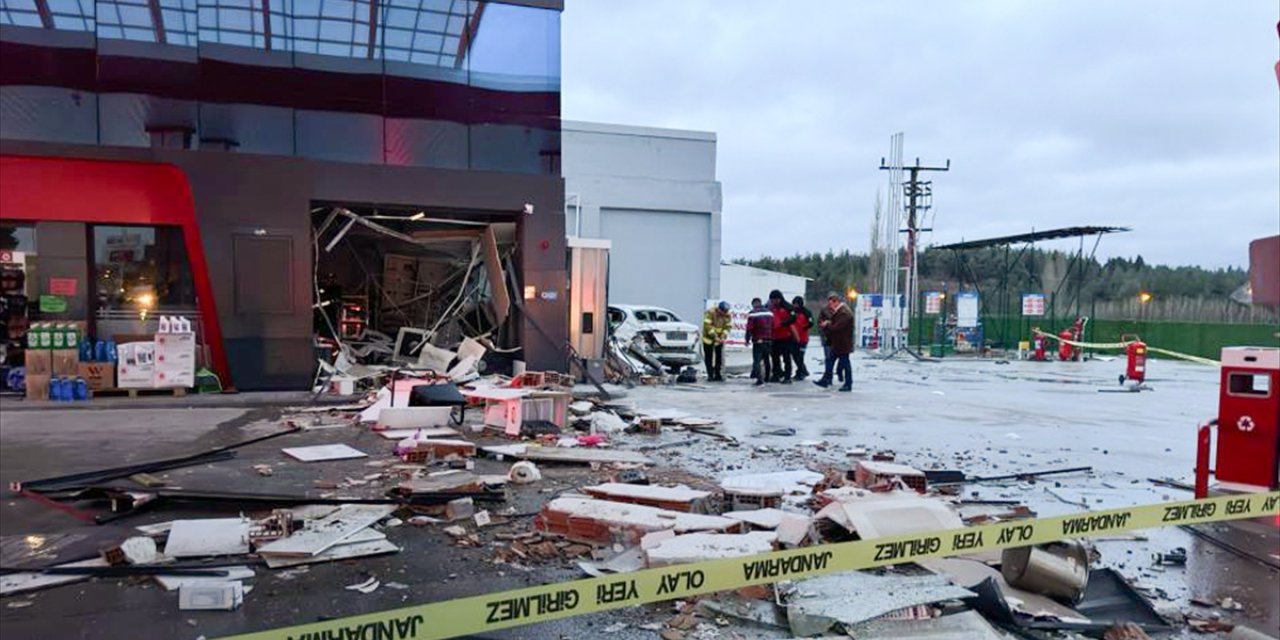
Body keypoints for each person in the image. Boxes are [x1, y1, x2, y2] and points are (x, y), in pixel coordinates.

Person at [815, 291, 854, 392]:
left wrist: (827, 324)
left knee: (845, 363)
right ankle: (826, 379)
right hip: (838, 343)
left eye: (831, 303)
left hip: (842, 343)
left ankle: (848, 383)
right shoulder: (840, 311)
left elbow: (837, 327)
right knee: (830, 360)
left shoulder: (844, 313)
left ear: (836, 302)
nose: (830, 306)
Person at [745, 297, 774, 386]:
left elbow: (749, 328)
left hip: (758, 340)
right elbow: (773, 326)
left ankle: (759, 379)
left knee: (757, 360)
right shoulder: (769, 313)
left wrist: (747, 339)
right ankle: (767, 378)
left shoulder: (753, 314)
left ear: (753, 304)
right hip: (769, 340)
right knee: (766, 359)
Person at [767, 290, 794, 383]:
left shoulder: (788, 307)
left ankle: (787, 377)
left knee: (786, 358)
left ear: (778, 299)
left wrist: (783, 323)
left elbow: (793, 318)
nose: (773, 302)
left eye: (774, 300)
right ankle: (776, 375)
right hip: (774, 337)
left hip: (786, 336)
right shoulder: (770, 308)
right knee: (775, 357)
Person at [701, 301, 732, 381]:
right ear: (719, 309)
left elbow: (728, 327)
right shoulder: (710, 313)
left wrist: (723, 336)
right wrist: (715, 336)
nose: (724, 313)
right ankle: (710, 375)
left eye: (725, 311)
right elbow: (707, 326)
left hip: (719, 339)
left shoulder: (727, 315)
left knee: (719, 357)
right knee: (709, 357)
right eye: (723, 311)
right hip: (708, 338)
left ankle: (718, 374)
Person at [816, 296, 843, 385]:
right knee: (828, 359)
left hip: (838, 339)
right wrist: (823, 334)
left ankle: (838, 373)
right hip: (827, 338)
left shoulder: (841, 311)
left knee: (841, 359)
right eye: (830, 302)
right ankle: (828, 378)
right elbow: (819, 323)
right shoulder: (824, 311)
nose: (831, 304)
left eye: (833, 302)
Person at [789, 295, 813, 381]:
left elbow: (811, 323)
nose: (795, 306)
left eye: (797, 304)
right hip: (793, 337)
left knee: (800, 356)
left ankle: (800, 372)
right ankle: (803, 370)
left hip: (803, 338)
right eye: (794, 304)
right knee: (795, 356)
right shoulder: (792, 312)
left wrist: (804, 327)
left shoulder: (806, 312)